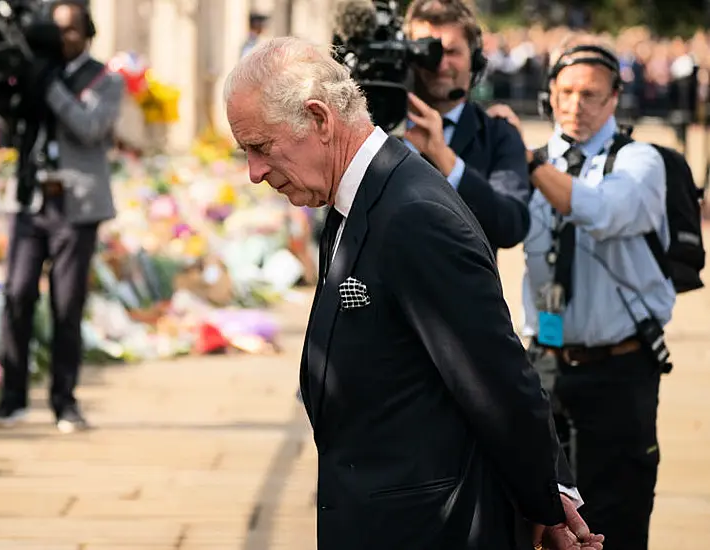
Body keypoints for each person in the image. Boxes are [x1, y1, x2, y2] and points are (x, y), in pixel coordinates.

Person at [224, 36, 603, 550]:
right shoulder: (355, 198)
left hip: (427, 527)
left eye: (260, 147)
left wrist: (545, 501)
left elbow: (494, 376)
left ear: (318, 118)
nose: (254, 172)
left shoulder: (411, 214)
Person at [488, 39, 675, 550]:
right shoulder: (531, 162)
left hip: (618, 370)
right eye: (566, 92)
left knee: (616, 518)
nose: (575, 105)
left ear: (615, 98)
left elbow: (600, 210)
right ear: (549, 93)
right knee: (541, 518)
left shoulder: (640, 162)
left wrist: (523, 162)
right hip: (543, 365)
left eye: (591, 94)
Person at [0, 0, 124, 433]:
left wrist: (48, 87)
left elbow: (89, 127)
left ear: (87, 33)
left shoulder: (106, 79)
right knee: (16, 295)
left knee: (66, 305)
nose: (60, 39)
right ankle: (12, 399)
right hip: (32, 201)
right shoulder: (36, 71)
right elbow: (8, 130)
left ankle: (64, 402)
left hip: (76, 206)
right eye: (54, 30)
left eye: (69, 31)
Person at [402, 0, 531, 256]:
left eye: (451, 52)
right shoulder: (373, 127)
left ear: (475, 60)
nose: (440, 64)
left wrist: (446, 159)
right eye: (428, 51)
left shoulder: (498, 134)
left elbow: (511, 225)